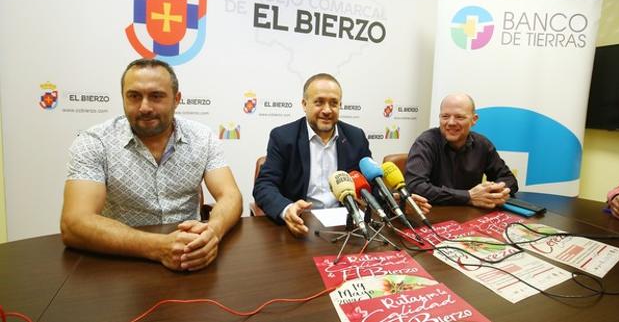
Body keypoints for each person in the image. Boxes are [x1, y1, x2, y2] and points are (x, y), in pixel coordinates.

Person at [60, 58, 243, 271]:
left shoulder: (203, 137)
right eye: (134, 96)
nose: (145, 107)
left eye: (156, 96)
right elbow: (74, 224)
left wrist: (213, 231)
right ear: (123, 98)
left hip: (191, 256)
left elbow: (230, 195)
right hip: (123, 261)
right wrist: (158, 247)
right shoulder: (94, 142)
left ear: (176, 99)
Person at [253, 73, 430, 237]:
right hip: (301, 226)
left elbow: (371, 186)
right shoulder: (283, 137)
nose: (327, 110)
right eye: (319, 102)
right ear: (304, 104)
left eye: (334, 103)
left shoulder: (355, 137)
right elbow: (264, 186)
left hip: (348, 228)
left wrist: (396, 201)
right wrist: (287, 209)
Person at [405, 93, 518, 208]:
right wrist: (468, 196)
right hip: (435, 214)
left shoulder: (482, 144)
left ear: (474, 120)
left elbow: (509, 179)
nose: (451, 123)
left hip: (471, 214)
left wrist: (494, 192)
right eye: (445, 116)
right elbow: (415, 186)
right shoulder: (426, 142)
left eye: (459, 117)